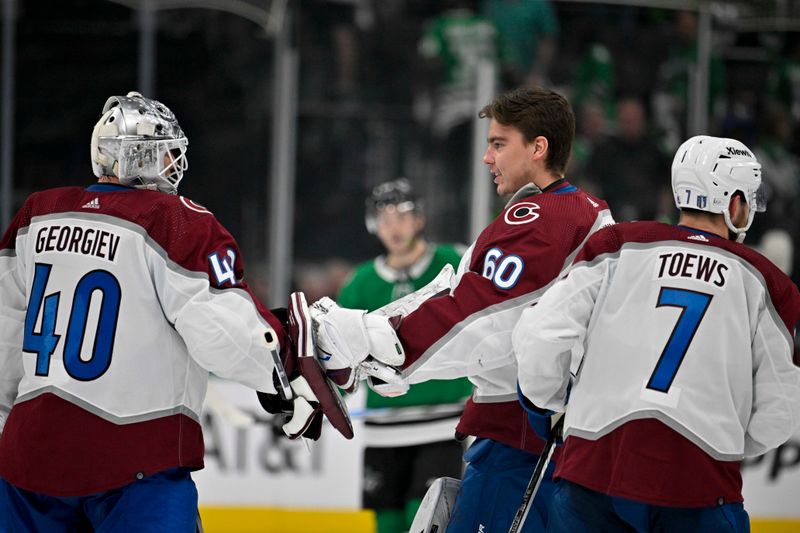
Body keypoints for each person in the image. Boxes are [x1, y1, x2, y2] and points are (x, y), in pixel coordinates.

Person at [0, 92, 339, 532]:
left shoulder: (36, 215)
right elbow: (224, 335)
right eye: (163, 152)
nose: (173, 162)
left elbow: (6, 330)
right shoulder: (175, 220)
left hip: (28, 460)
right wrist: (279, 373)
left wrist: (7, 422)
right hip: (135, 457)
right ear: (134, 157)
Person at [311, 86, 614, 532]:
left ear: (538, 147)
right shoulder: (582, 212)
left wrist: (382, 352)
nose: (487, 158)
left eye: (498, 144)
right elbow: (461, 296)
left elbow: (476, 315)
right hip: (549, 435)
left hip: (519, 438)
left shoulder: (541, 218)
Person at [512, 135, 800, 532]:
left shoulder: (617, 244)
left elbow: (542, 334)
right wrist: (722, 441)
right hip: (700, 484)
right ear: (735, 204)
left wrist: (552, 401)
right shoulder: (767, 282)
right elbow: (779, 412)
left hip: (592, 471)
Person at [338, 178, 470, 533]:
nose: (393, 226)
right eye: (384, 217)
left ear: (420, 220)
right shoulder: (360, 283)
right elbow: (338, 354)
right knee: (388, 524)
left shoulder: (454, 264)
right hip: (384, 430)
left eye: (402, 215)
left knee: (424, 521)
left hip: (441, 426)